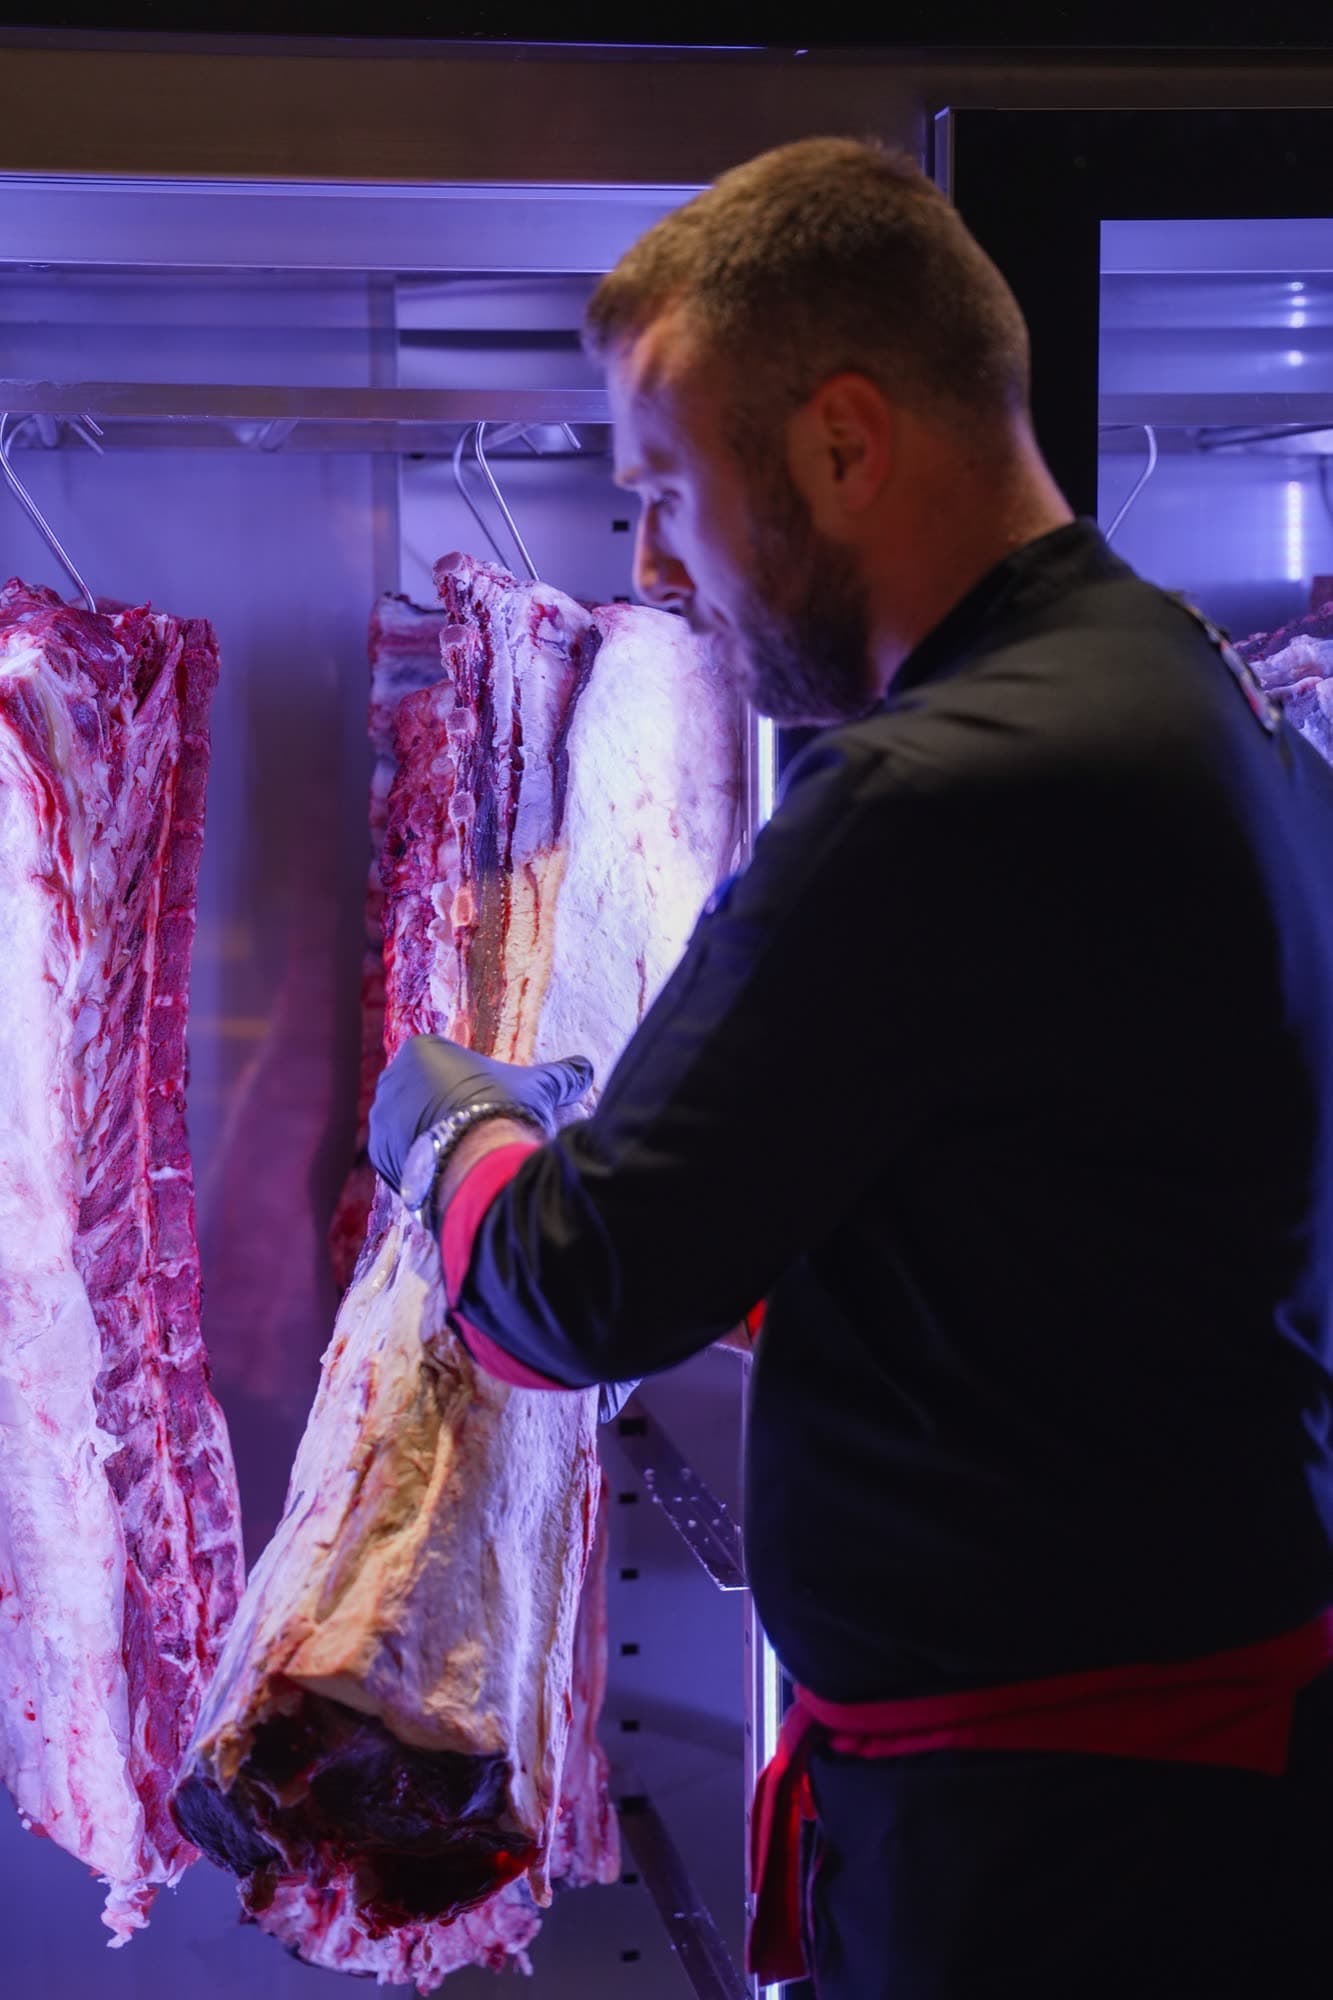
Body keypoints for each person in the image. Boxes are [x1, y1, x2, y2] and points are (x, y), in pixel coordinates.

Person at [369, 138, 1333, 1998]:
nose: (652, 563)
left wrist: (453, 1123)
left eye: (665, 487)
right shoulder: (1209, 712)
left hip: (1053, 1840)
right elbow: (1065, 1205)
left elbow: (570, 1288)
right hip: (1189, 1784)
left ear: (838, 441)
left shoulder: (925, 791)